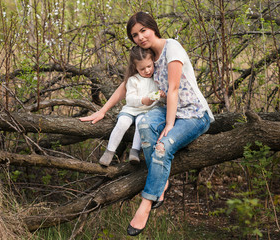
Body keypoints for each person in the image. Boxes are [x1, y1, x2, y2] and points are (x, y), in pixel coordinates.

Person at [80, 11, 214, 236]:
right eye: (135, 34)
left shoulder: (172, 48)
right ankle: (161, 183)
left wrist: (170, 125)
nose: (140, 37)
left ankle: (147, 202)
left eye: (143, 30)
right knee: (144, 126)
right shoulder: (146, 54)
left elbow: (172, 89)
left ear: (153, 27)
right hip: (164, 110)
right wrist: (103, 110)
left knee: (163, 146)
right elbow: (126, 85)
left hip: (192, 114)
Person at [98, 46, 165, 166]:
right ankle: (109, 152)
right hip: (131, 110)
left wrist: (162, 95)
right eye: (142, 68)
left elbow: (163, 96)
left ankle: (134, 152)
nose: (147, 71)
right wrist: (143, 100)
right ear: (135, 68)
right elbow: (129, 99)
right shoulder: (133, 80)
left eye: (149, 66)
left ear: (153, 62)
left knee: (142, 123)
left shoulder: (157, 79)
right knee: (122, 123)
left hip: (146, 112)